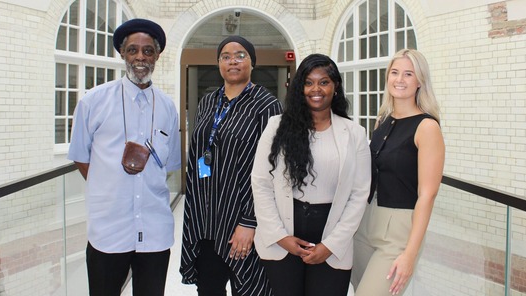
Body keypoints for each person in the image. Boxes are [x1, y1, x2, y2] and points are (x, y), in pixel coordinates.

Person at [67, 18, 181, 296]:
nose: (140, 57)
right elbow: (82, 158)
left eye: (147, 51)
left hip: (154, 230)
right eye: (133, 50)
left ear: (157, 56)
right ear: (122, 54)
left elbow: (169, 165)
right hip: (109, 229)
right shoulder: (92, 102)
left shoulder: (167, 107)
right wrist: (110, 185)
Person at [251, 53, 372, 296]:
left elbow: (359, 194)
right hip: (284, 231)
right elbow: (261, 183)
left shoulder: (354, 133)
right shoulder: (277, 126)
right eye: (308, 82)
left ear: (335, 86)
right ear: (300, 88)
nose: (316, 89)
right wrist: (281, 236)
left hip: (332, 233)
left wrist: (330, 245)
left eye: (324, 82)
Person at [180, 36, 283, 296]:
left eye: (240, 55)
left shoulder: (266, 105)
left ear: (252, 63)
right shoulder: (207, 103)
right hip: (207, 222)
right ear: (218, 64)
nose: (232, 61)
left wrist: (249, 222)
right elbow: (198, 156)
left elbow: (273, 167)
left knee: (250, 289)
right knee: (209, 289)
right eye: (225, 56)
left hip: (242, 220)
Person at [350, 49, 445, 296]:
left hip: (399, 231)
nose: (399, 79)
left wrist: (410, 255)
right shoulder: (382, 121)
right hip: (365, 223)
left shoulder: (427, 127)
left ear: (419, 82)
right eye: (394, 72)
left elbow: (427, 196)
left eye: (408, 74)